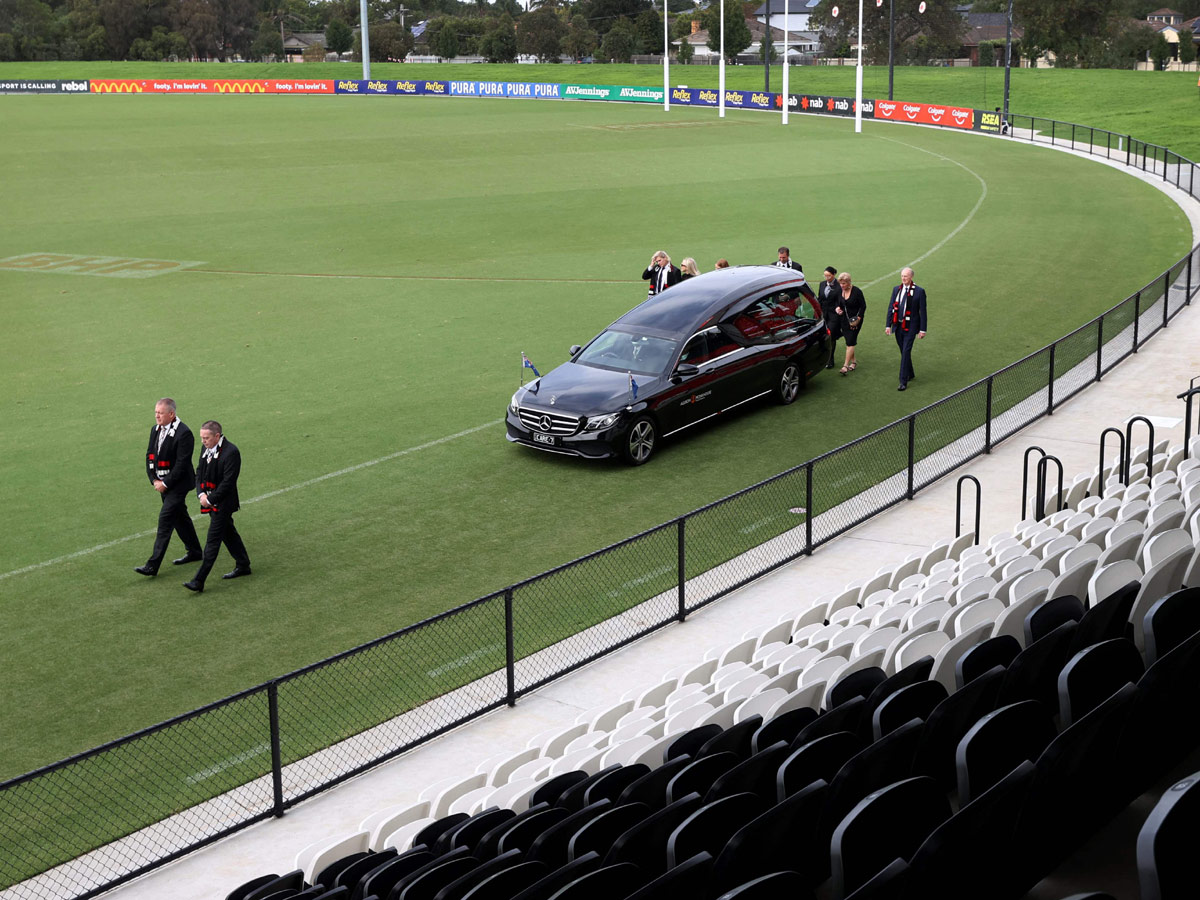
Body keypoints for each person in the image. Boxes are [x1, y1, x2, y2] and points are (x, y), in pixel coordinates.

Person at [135, 398, 203, 576]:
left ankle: (152, 565)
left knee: (166, 519)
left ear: (171, 414)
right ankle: (195, 551)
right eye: (156, 412)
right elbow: (150, 455)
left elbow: (182, 464)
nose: (157, 416)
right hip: (163, 483)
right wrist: (154, 479)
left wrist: (165, 483)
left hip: (178, 484)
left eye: (160, 413)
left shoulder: (184, 433)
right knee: (180, 517)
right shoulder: (155, 429)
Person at [183, 420, 252, 593]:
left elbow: (228, 483)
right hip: (210, 500)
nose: (203, 441)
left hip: (223, 503)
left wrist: (210, 499)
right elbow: (199, 472)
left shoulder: (231, 452)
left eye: (206, 438)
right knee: (228, 533)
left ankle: (199, 580)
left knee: (212, 542)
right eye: (202, 438)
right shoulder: (206, 448)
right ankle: (243, 564)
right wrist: (201, 494)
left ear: (217, 436)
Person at [884, 267, 927, 391]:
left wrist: (922, 329)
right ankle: (911, 373)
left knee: (906, 352)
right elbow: (891, 307)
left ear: (911, 277)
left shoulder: (919, 292)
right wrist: (888, 325)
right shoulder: (896, 289)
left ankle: (903, 381)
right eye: (902, 276)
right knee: (903, 350)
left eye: (906, 276)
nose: (903, 278)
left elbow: (922, 312)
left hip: (911, 327)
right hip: (898, 326)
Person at [833, 272, 867, 375]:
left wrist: (858, 318)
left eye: (844, 283)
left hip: (855, 320)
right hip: (843, 319)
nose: (842, 285)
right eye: (840, 283)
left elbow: (863, 306)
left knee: (850, 342)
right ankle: (854, 362)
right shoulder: (840, 291)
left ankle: (845, 366)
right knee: (848, 340)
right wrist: (837, 308)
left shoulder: (857, 292)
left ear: (849, 282)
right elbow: (838, 303)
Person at [817, 267, 840, 368]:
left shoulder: (839, 286)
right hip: (823, 314)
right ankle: (822, 358)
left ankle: (830, 359)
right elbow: (820, 299)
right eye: (825, 275)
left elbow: (840, 301)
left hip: (834, 315)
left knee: (831, 337)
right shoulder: (822, 284)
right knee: (822, 336)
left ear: (834, 275)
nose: (827, 278)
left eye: (829, 276)